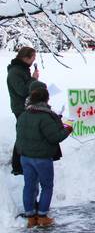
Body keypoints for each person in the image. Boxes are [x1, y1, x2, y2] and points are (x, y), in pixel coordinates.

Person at [16, 86, 72, 228]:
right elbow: (55, 137)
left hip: (25, 158)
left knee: (29, 186)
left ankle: (30, 217)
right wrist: (69, 129)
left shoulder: (23, 115)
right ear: (46, 99)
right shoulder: (45, 116)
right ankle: (42, 216)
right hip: (41, 159)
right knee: (47, 186)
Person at [7, 46, 40, 175]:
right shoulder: (15, 72)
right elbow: (22, 91)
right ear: (26, 57)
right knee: (22, 136)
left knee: (25, 135)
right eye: (33, 58)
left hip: (26, 106)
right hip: (20, 108)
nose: (34, 60)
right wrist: (33, 79)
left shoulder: (22, 69)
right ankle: (17, 166)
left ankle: (21, 164)